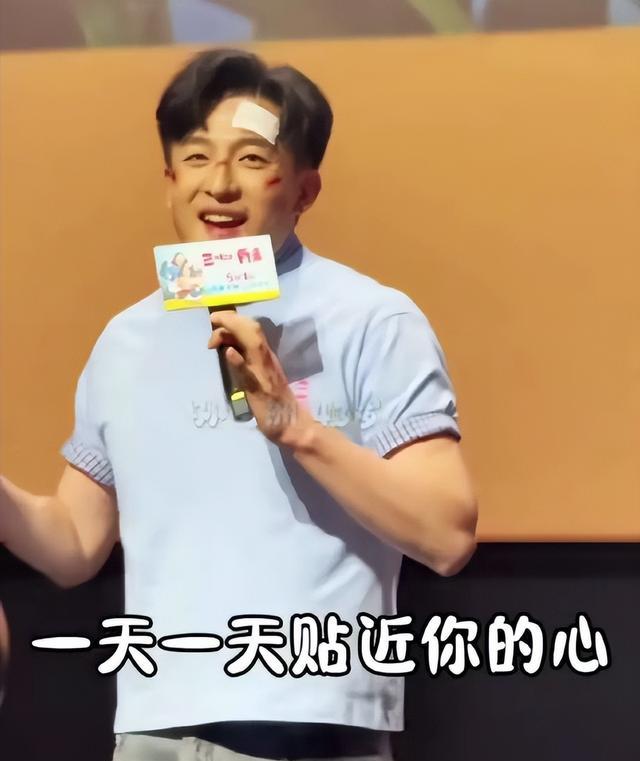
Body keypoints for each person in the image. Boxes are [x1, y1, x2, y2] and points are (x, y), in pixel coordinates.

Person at [0, 48, 478, 761]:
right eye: (196, 157)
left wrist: (294, 427)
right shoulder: (126, 339)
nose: (220, 184)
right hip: (155, 728)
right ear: (170, 181)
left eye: (253, 159)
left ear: (306, 188)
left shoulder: (372, 319)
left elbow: (447, 533)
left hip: (311, 724)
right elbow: (72, 546)